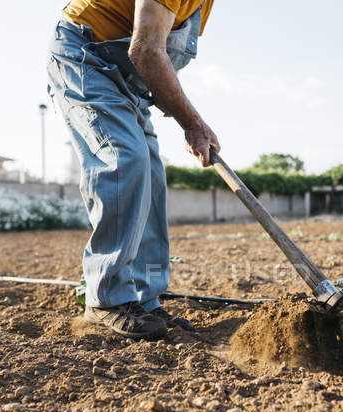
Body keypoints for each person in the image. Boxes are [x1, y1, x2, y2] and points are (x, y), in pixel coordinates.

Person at [47, 0, 219, 339]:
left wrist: (185, 115)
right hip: (85, 56)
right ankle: (107, 298)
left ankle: (143, 298)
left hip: (129, 80)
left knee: (151, 177)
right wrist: (192, 123)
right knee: (125, 158)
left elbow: (158, 54)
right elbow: (146, 51)